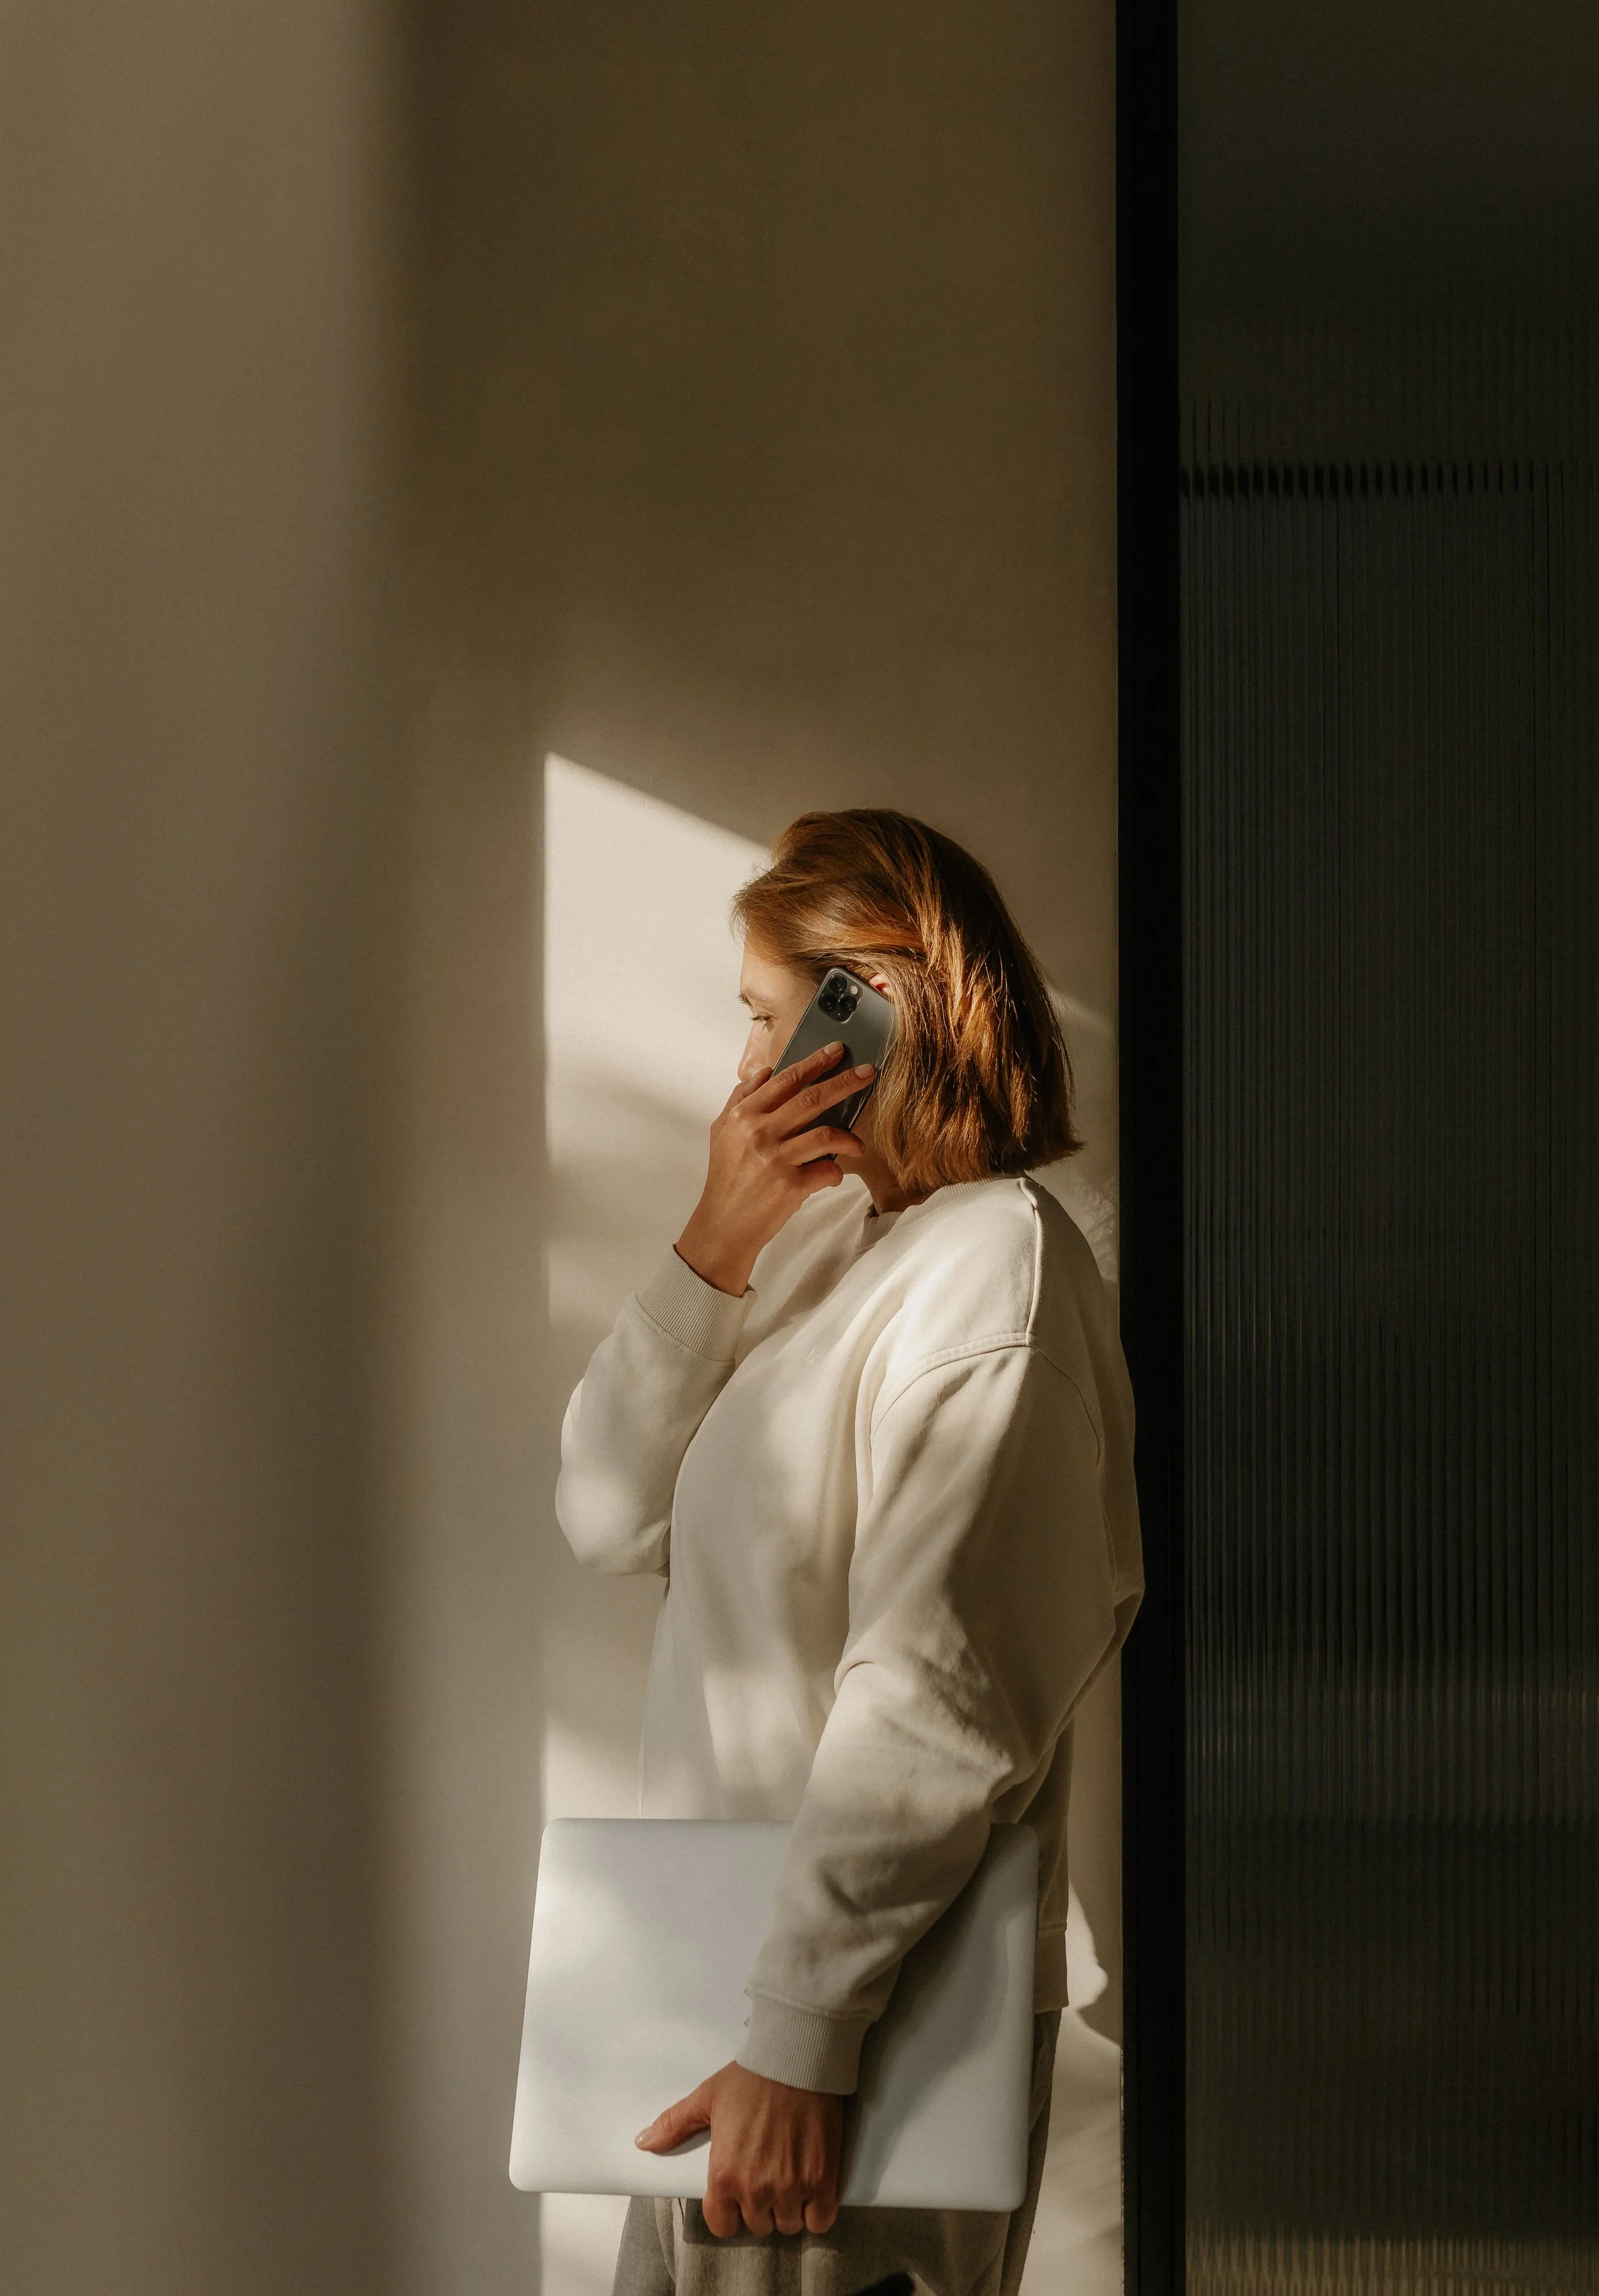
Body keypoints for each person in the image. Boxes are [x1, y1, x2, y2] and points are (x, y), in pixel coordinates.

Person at [556, 809, 1142, 2296]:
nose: (748, 1067)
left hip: (839, 2027)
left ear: (873, 1011)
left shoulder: (993, 1275)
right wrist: (713, 1241)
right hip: (716, 1992)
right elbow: (604, 1514)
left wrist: (800, 2042)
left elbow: (937, 1701)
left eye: (768, 1018)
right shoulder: (833, 1244)